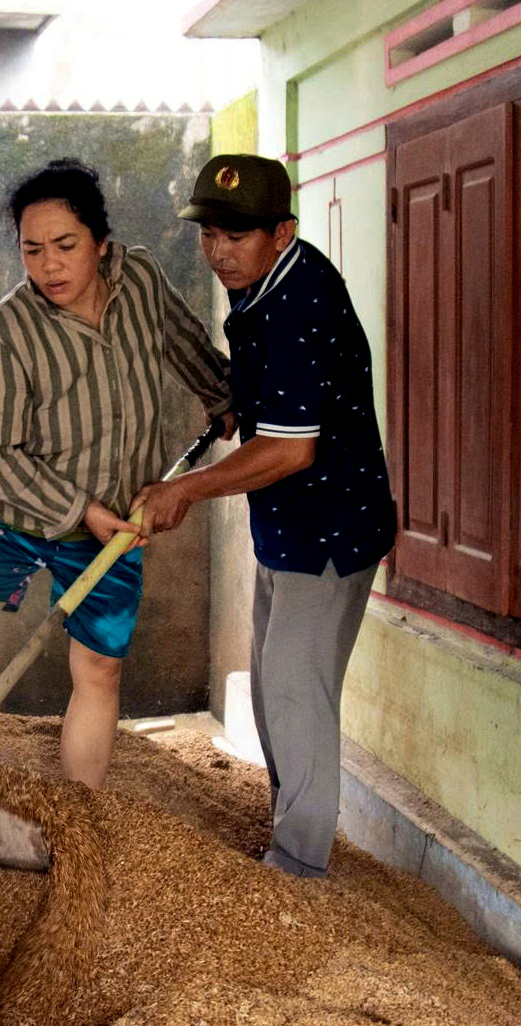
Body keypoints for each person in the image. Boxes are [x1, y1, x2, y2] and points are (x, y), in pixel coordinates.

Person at [0, 158, 231, 788]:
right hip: (12, 517)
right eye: (32, 250)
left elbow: (184, 343)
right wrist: (79, 511)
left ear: (101, 244)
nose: (49, 266)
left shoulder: (141, 280)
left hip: (113, 526)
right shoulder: (5, 332)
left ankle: (80, 815)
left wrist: (224, 396)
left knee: (99, 670)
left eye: (65, 245)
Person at [132, 153, 397, 877]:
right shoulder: (260, 287)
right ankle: (288, 830)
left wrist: (186, 490)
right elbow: (278, 406)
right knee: (273, 685)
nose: (218, 251)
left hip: (329, 532)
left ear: (282, 232)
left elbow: (289, 449)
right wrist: (236, 405)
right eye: (208, 233)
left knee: (294, 692)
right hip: (286, 529)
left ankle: (299, 866)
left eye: (237, 235)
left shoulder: (298, 303)